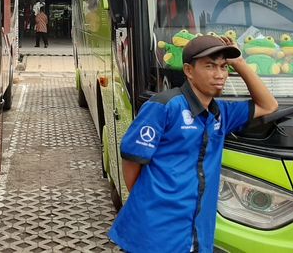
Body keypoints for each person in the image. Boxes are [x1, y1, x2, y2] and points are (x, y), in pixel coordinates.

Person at [109, 35, 278, 253]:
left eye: (224, 67)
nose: (220, 75)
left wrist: (239, 63)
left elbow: (268, 105)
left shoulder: (221, 114)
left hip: (196, 230)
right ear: (189, 71)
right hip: (156, 232)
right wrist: (150, 202)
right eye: (210, 66)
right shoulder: (165, 106)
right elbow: (132, 160)